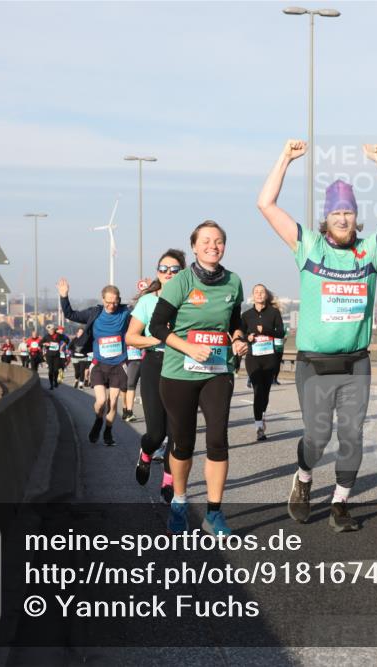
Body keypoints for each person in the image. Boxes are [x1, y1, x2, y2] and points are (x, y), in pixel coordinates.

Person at [258, 140, 377, 532]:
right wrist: (285, 159)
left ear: (356, 217)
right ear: (325, 219)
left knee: (351, 436)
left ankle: (340, 503)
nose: (343, 219)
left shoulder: (370, 251)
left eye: (348, 212)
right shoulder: (309, 247)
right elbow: (266, 204)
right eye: (336, 213)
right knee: (317, 436)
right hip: (314, 364)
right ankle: (303, 478)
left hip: (356, 363)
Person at [149, 222, 247, 536]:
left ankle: (214, 513)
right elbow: (157, 326)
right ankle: (179, 502)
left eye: (218, 241)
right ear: (194, 246)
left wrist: (238, 338)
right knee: (184, 443)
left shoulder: (234, 281)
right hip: (179, 372)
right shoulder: (181, 282)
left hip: (218, 370)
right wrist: (188, 347)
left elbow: (235, 321)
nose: (212, 246)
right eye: (205, 241)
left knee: (218, 439)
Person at [127, 249, 186, 502]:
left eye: (174, 269)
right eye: (163, 268)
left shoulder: (189, 301)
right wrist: (157, 338)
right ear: (157, 272)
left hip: (181, 366)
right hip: (154, 363)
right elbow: (131, 337)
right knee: (157, 433)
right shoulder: (148, 301)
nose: (168, 273)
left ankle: (168, 483)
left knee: (177, 434)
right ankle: (146, 452)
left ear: (182, 273)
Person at [59, 280, 132, 446]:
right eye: (108, 302)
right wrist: (64, 296)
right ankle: (99, 420)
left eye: (115, 302)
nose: (112, 306)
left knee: (113, 402)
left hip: (118, 365)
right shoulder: (94, 313)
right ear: (102, 299)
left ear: (119, 300)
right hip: (99, 364)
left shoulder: (126, 313)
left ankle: (108, 431)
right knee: (101, 401)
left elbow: (145, 318)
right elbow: (71, 314)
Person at [241, 284, 285, 441]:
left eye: (262, 292)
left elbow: (281, 332)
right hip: (253, 357)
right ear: (253, 296)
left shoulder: (274, 313)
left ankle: (262, 415)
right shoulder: (246, 315)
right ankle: (259, 426)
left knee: (265, 393)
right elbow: (241, 334)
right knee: (257, 390)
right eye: (256, 292)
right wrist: (247, 338)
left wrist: (265, 330)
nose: (259, 294)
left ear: (266, 295)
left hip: (269, 357)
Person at [40, 324, 66, 390]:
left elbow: (67, 340)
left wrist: (63, 345)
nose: (50, 331)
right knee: (50, 370)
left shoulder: (59, 335)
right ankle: (51, 384)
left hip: (57, 355)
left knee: (56, 370)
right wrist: (44, 344)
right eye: (49, 330)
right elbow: (40, 343)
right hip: (49, 355)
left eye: (51, 330)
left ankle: (55, 381)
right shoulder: (46, 336)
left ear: (54, 330)